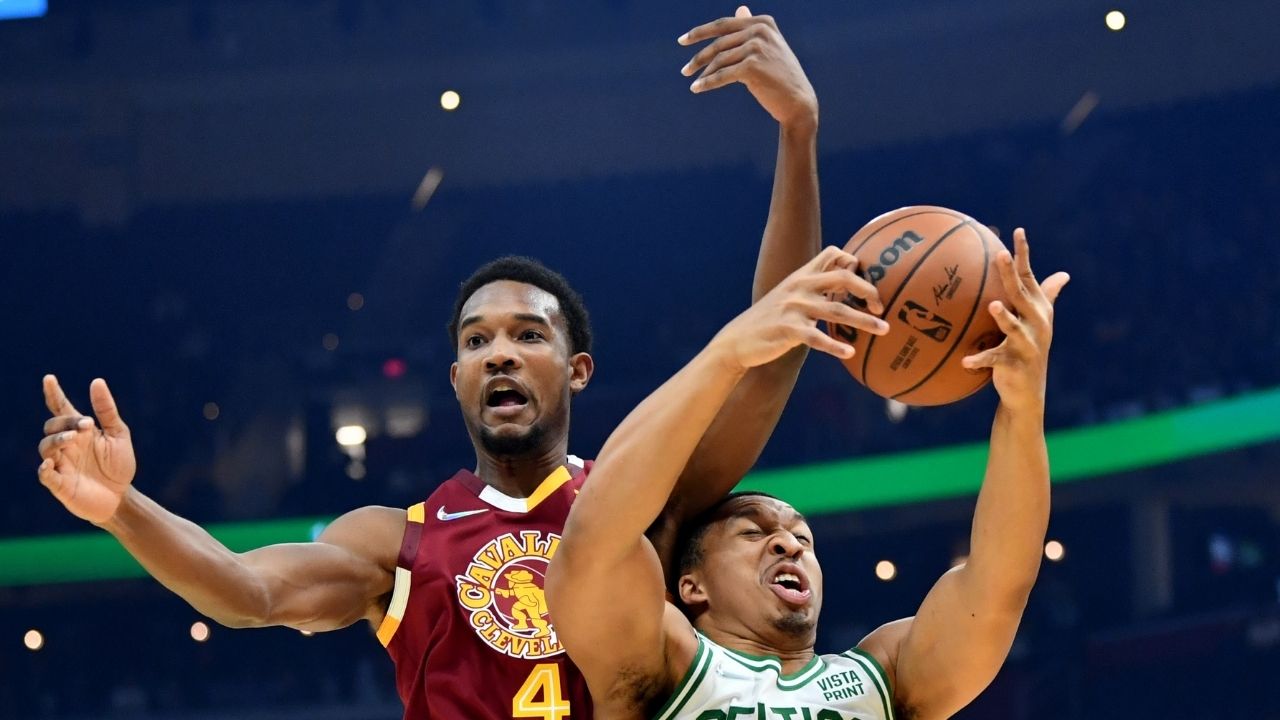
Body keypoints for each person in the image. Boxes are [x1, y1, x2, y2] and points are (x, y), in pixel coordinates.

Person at [34, 8, 887, 719]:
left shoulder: (645, 503)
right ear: (455, 381)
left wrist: (797, 130)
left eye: (527, 335)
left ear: (578, 370)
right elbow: (244, 593)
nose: (499, 353)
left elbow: (772, 356)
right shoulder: (395, 540)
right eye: (476, 342)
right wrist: (122, 508)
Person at [546, 230, 1069, 720]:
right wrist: (728, 353)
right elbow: (596, 535)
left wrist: (1023, 408)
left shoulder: (883, 677)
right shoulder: (663, 664)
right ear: (691, 586)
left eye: (802, 536)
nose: (788, 545)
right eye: (753, 533)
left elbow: (999, 583)